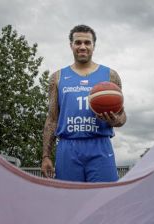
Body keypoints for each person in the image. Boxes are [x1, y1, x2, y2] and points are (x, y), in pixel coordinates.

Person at [41, 24, 127, 182]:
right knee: (70, 202)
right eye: (78, 42)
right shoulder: (57, 78)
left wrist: (115, 120)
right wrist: (46, 155)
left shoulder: (110, 76)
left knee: (104, 199)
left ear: (94, 45)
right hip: (68, 147)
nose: (82, 46)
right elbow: (52, 119)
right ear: (71, 45)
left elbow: (122, 116)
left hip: (100, 145)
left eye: (87, 43)